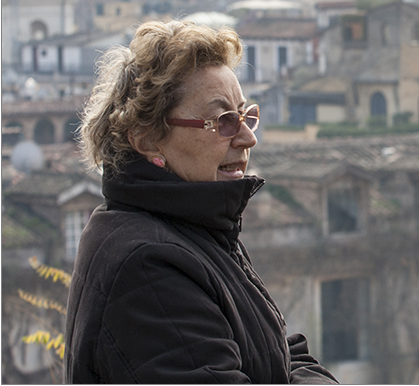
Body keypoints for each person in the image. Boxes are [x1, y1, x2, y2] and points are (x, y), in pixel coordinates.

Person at [65, 20, 337, 384]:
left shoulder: (195, 230)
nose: (246, 138)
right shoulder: (148, 265)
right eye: (223, 120)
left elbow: (282, 355)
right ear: (147, 140)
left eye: (245, 116)